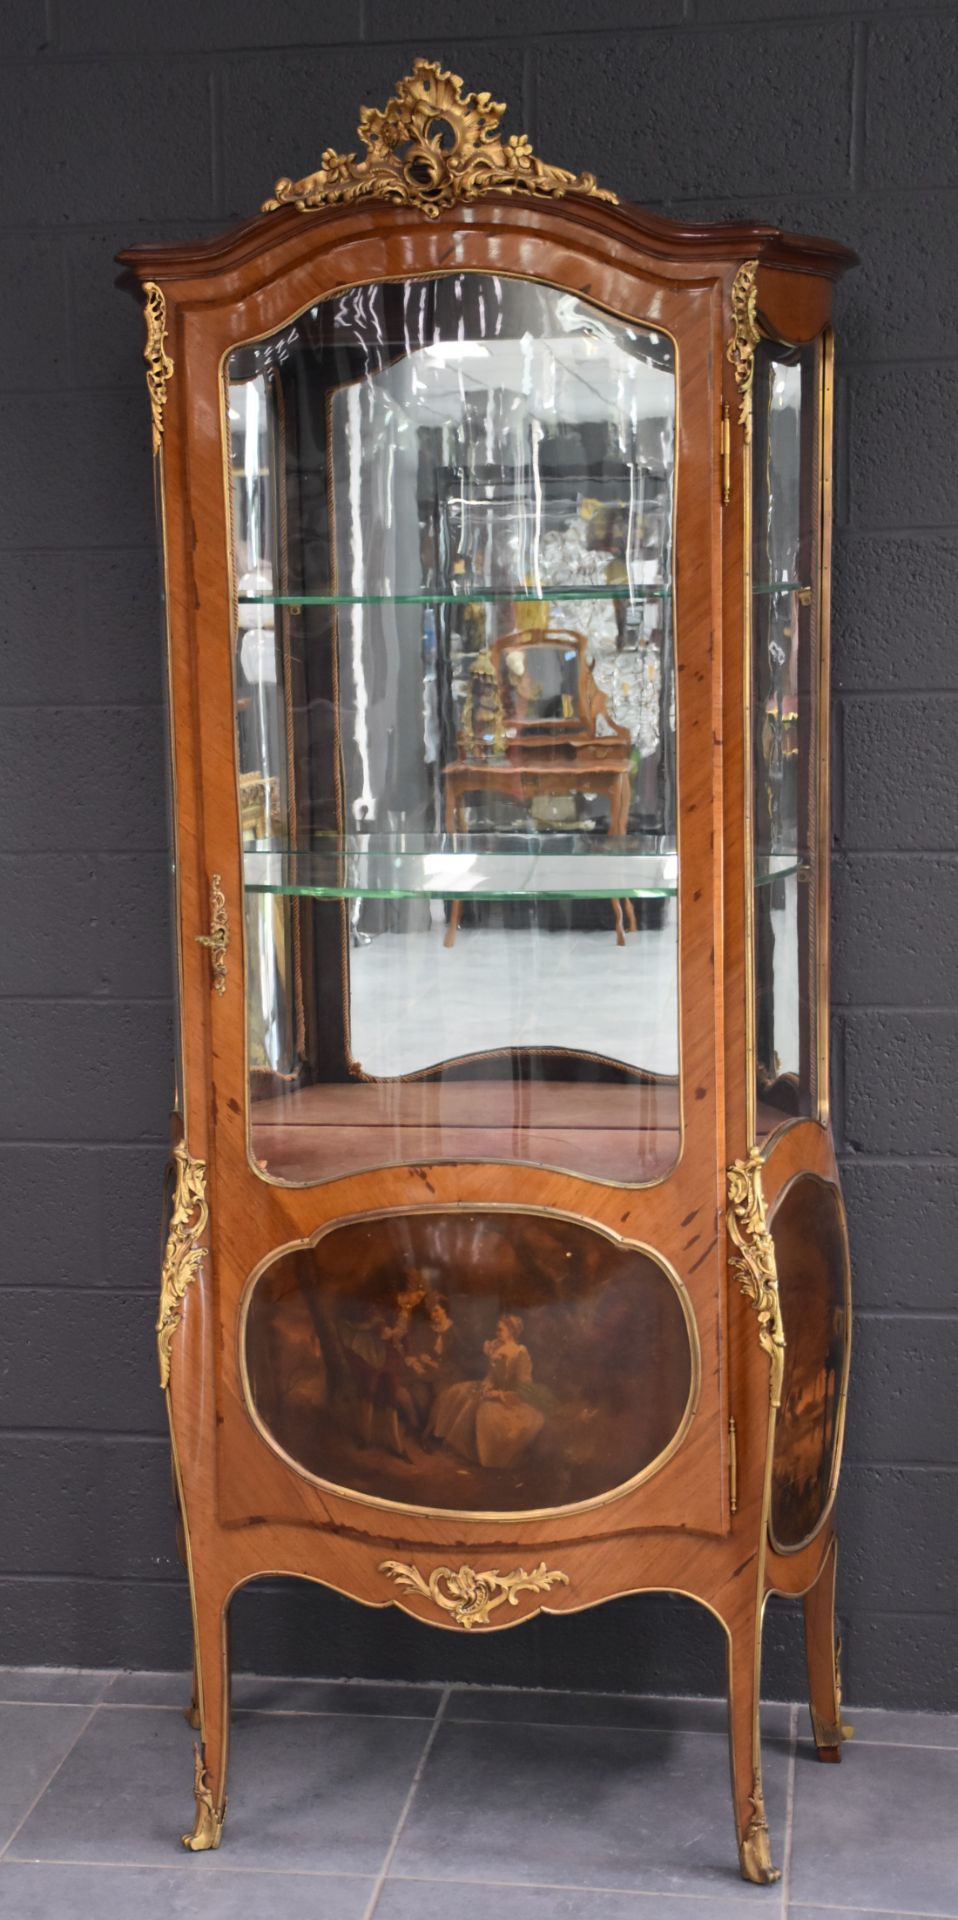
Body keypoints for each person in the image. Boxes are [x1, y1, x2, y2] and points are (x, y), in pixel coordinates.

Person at [430, 1312, 545, 1470]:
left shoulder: (520, 1353)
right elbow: (491, 1375)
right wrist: (487, 1384)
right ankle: (443, 1440)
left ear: (511, 1331)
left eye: (500, 1330)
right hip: (492, 1390)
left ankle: (482, 1456)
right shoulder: (495, 1347)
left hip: (510, 1400)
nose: (496, 1333)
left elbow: (524, 1389)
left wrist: (499, 1394)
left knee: (485, 1411)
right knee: (459, 1393)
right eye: (497, 1330)